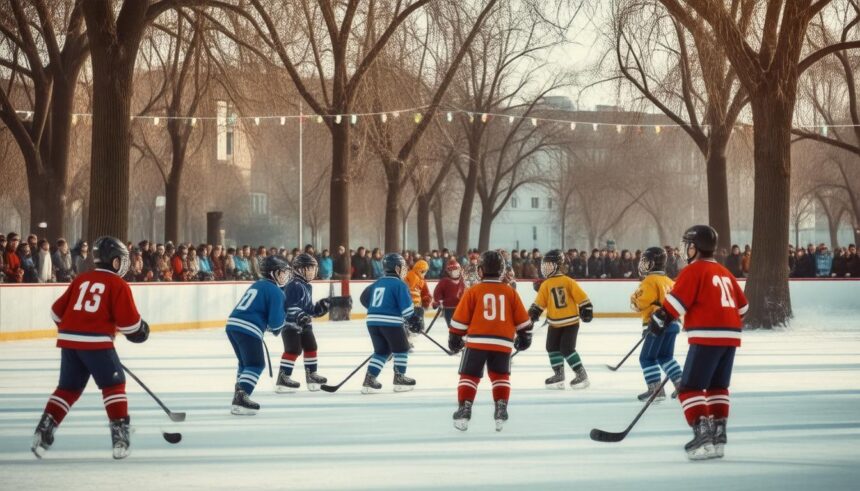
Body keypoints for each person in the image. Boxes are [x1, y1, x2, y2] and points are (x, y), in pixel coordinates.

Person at [31, 236, 150, 460]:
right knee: (114, 385)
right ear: (114, 262)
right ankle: (120, 436)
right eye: (121, 260)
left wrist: (75, 331)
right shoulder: (118, 284)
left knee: (68, 389)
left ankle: (43, 431)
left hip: (70, 344)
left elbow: (56, 312)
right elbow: (131, 325)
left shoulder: (81, 279)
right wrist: (142, 329)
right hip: (96, 344)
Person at [648, 225, 747, 460]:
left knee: (690, 388)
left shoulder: (693, 271)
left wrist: (659, 319)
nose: (685, 250)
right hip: (731, 336)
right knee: (716, 387)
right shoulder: (724, 272)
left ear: (695, 247)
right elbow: (743, 308)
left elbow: (674, 306)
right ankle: (718, 437)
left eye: (687, 245)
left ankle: (703, 438)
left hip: (707, 336)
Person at [448, 250, 532, 432]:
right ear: (501, 270)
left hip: (477, 342)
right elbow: (523, 321)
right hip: (503, 342)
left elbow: (460, 319)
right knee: (500, 376)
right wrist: (525, 336)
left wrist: (455, 335)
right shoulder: (510, 292)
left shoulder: (474, 291)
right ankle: (501, 408)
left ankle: (464, 409)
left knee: (469, 376)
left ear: (480, 270)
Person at [225, 255, 290, 415]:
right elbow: (275, 323)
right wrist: (282, 322)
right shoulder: (276, 291)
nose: (285, 276)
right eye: (282, 272)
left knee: (245, 364)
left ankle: (239, 396)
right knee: (256, 364)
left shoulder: (258, 284)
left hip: (233, 325)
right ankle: (241, 397)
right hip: (248, 328)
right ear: (273, 273)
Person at [528, 249, 594, 390]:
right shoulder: (546, 284)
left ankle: (581, 374)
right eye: (544, 265)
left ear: (558, 265)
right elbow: (539, 303)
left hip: (570, 323)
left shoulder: (568, 282)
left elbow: (581, 297)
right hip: (554, 323)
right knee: (551, 347)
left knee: (567, 348)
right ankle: (559, 374)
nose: (545, 268)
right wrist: (534, 312)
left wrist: (586, 308)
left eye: (549, 265)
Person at [358, 253, 422, 393]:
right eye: (403, 267)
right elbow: (406, 309)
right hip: (390, 322)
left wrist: (375, 309)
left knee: (382, 351)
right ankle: (400, 378)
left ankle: (369, 380)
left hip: (372, 322)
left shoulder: (377, 282)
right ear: (397, 268)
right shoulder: (400, 284)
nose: (404, 269)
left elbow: (363, 298)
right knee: (402, 349)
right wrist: (413, 320)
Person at [630, 247, 683, 401]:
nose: (643, 265)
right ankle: (681, 386)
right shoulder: (669, 281)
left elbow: (640, 303)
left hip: (656, 325)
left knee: (646, 358)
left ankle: (655, 390)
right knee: (665, 356)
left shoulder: (649, 281)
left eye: (646, 261)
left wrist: (634, 299)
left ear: (652, 263)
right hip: (673, 324)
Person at [275, 253, 331, 393]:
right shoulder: (293, 285)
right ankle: (283, 378)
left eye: (313, 268)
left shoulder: (307, 286)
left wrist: (321, 307)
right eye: (309, 268)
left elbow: (308, 309)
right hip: (290, 325)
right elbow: (290, 306)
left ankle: (311, 375)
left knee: (311, 346)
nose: (313, 272)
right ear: (300, 269)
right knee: (293, 349)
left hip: (304, 325)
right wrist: (300, 315)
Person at [433, 261, 465, 329]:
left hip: (461, 308)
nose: (454, 272)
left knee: (462, 328)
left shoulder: (464, 281)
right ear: (448, 272)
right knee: (452, 328)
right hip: (448, 309)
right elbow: (437, 293)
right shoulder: (444, 281)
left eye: (456, 270)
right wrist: (438, 301)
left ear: (459, 270)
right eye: (451, 271)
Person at [404, 259, 432, 332]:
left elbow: (425, 293)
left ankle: (416, 328)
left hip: (415, 304)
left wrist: (426, 300)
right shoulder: (410, 275)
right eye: (425, 272)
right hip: (410, 304)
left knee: (419, 312)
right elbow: (405, 287)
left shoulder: (421, 280)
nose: (425, 274)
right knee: (417, 314)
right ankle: (416, 328)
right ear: (421, 270)